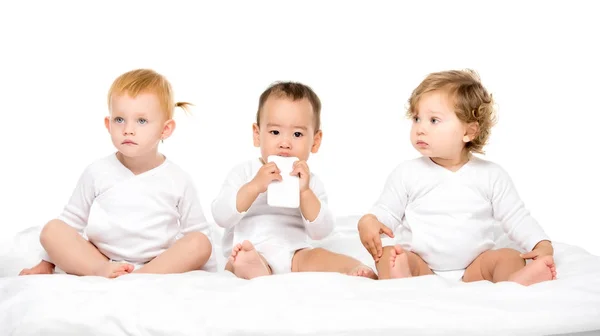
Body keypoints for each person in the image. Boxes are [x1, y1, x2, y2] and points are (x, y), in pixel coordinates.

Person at [358, 69, 556, 285]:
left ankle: (515, 281)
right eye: (416, 118)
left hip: (475, 267)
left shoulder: (491, 175)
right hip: (420, 265)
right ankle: (401, 278)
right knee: (388, 255)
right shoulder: (407, 173)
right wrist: (371, 220)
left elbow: (516, 217)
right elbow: (387, 212)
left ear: (469, 132)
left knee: (509, 256)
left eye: (433, 120)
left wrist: (541, 244)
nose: (420, 128)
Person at [19, 69, 215, 278]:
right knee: (52, 230)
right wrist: (46, 263)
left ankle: (143, 275)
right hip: (101, 257)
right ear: (108, 124)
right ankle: (100, 271)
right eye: (120, 119)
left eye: (141, 121)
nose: (128, 129)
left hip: (157, 261)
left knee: (200, 242)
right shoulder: (97, 172)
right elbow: (71, 221)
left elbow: (197, 232)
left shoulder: (178, 179)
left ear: (165, 129)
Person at [212, 81, 376, 279]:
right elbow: (221, 215)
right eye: (274, 132)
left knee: (318, 255)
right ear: (257, 135)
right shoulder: (244, 173)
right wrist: (254, 186)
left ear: (315, 142)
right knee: (238, 261)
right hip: (250, 247)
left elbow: (321, 231)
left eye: (297, 134)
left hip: (295, 253)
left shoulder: (309, 182)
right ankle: (254, 266)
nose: (285, 143)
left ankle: (353, 267)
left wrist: (305, 193)